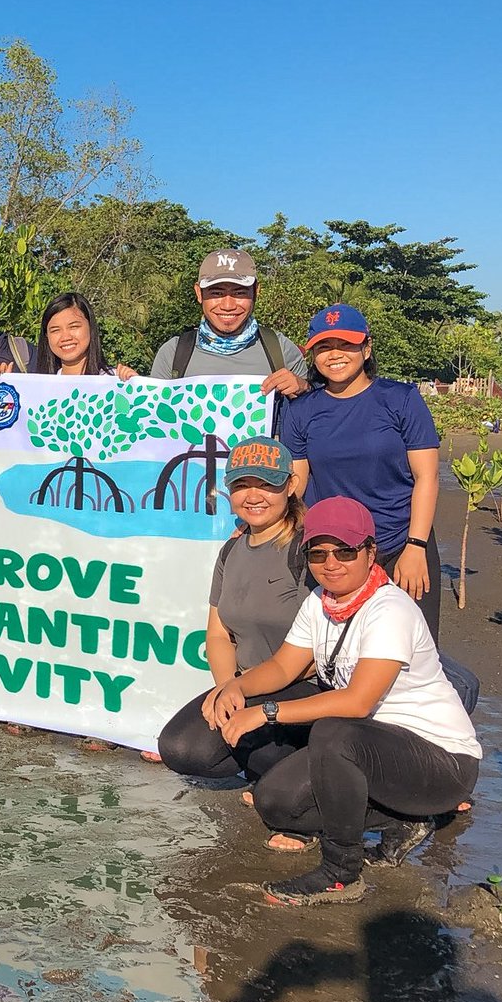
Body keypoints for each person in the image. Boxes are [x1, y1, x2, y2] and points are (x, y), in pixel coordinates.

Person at [207, 496, 481, 906]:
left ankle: (341, 873)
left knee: (334, 733)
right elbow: (283, 667)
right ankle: (408, 819)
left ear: (371, 553)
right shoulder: (319, 602)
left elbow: (356, 702)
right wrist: (236, 687)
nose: (330, 562)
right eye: (318, 552)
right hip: (378, 749)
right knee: (275, 802)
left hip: (441, 762)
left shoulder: (390, 609)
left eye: (345, 551)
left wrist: (265, 711)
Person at [158, 438, 319, 844]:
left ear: (291, 487)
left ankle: (306, 802)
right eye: (242, 484)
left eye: (266, 484)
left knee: (259, 744)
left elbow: (323, 647)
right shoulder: (231, 549)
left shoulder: (310, 549)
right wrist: (225, 687)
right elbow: (217, 632)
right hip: (245, 682)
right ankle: (272, 775)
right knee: (180, 747)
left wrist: (242, 694)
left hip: (306, 686)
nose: (254, 495)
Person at [282, 304, 442, 641]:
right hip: (333, 554)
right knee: (333, 655)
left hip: (400, 543)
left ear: (366, 348)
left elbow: (427, 478)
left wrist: (416, 546)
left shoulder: (401, 399)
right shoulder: (301, 411)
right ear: (313, 355)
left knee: (409, 653)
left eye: (346, 344)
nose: (335, 355)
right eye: (324, 347)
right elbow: (297, 483)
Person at [138, 250, 310, 403]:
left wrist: (304, 389)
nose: (228, 305)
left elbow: (315, 417)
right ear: (199, 293)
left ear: (256, 292)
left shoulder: (281, 350)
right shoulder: (173, 354)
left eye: (239, 292)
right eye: (217, 293)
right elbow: (155, 421)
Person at [33, 292, 115, 376]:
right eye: (56, 330)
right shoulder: (40, 386)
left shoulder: (115, 381)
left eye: (73, 327)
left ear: (90, 327)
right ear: (46, 335)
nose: (65, 337)